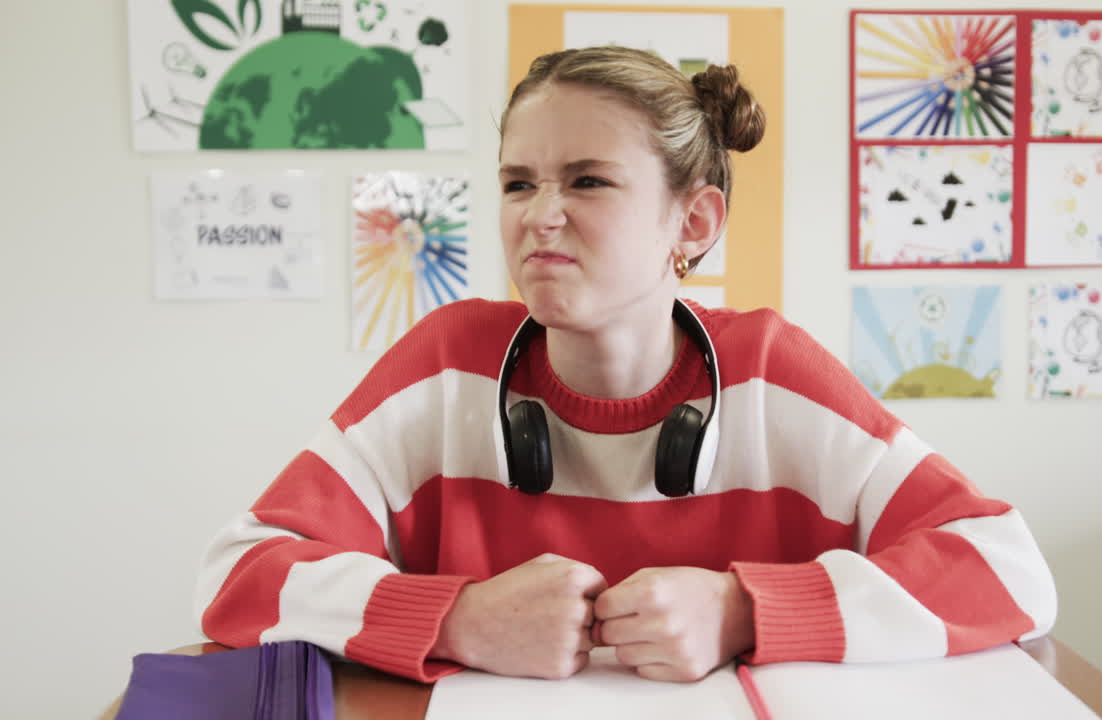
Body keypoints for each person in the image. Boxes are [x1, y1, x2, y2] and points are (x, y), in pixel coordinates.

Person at [195, 46, 1056, 686]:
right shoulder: (446, 363)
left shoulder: (770, 372)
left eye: (589, 182)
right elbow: (241, 572)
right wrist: (455, 618)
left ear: (692, 223)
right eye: (518, 183)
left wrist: (745, 610)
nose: (541, 215)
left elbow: (1008, 570)